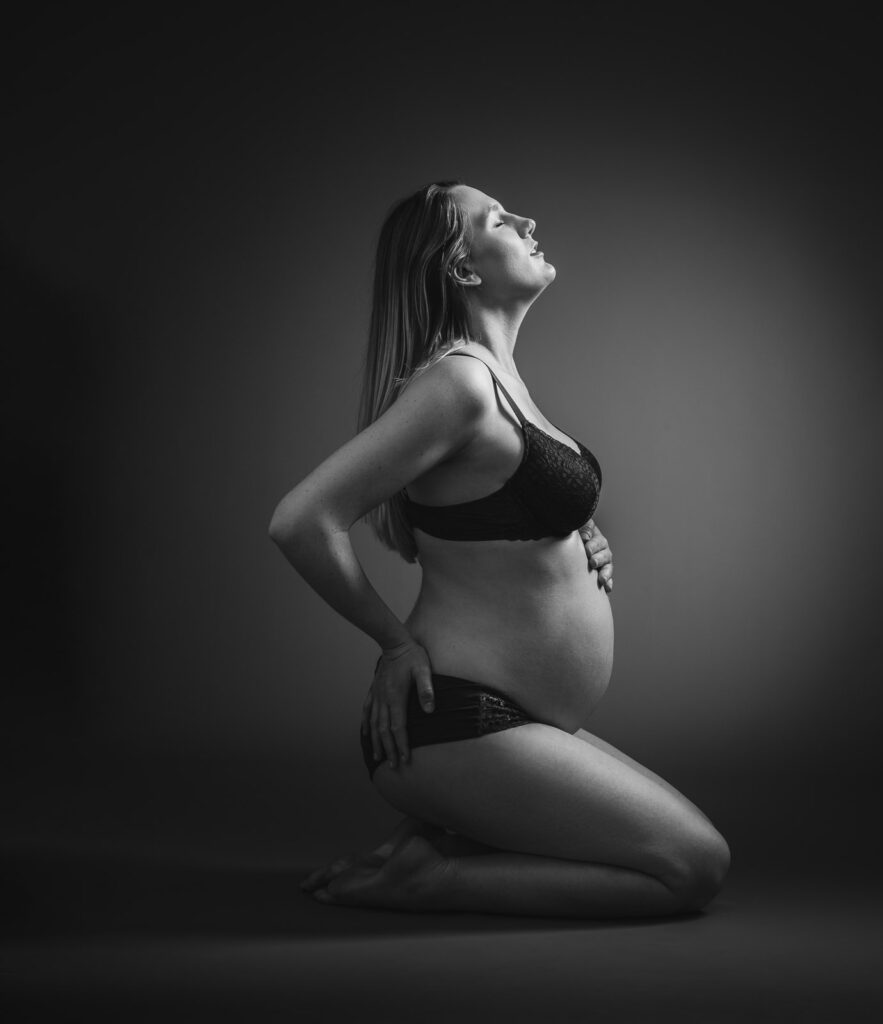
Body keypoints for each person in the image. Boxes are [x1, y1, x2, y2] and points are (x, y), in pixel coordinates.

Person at [268, 181, 730, 918]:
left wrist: (576, 528)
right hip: (457, 721)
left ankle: (433, 842)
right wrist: (393, 646)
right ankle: (433, 879)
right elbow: (303, 520)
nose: (526, 220)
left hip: (520, 722)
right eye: (497, 219)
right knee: (693, 868)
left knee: (686, 852)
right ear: (462, 268)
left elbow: (495, 502)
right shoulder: (459, 384)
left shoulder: (497, 379)